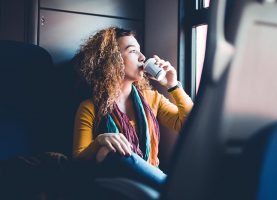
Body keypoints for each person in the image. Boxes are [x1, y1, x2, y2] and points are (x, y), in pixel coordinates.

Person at [73, 26, 193, 190]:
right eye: (133, 51)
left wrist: (173, 85)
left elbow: (190, 127)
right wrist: (100, 141)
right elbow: (78, 160)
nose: (143, 57)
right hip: (116, 186)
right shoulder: (90, 108)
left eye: (140, 51)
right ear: (112, 60)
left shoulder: (152, 98)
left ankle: (174, 189)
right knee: (109, 152)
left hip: (151, 183)